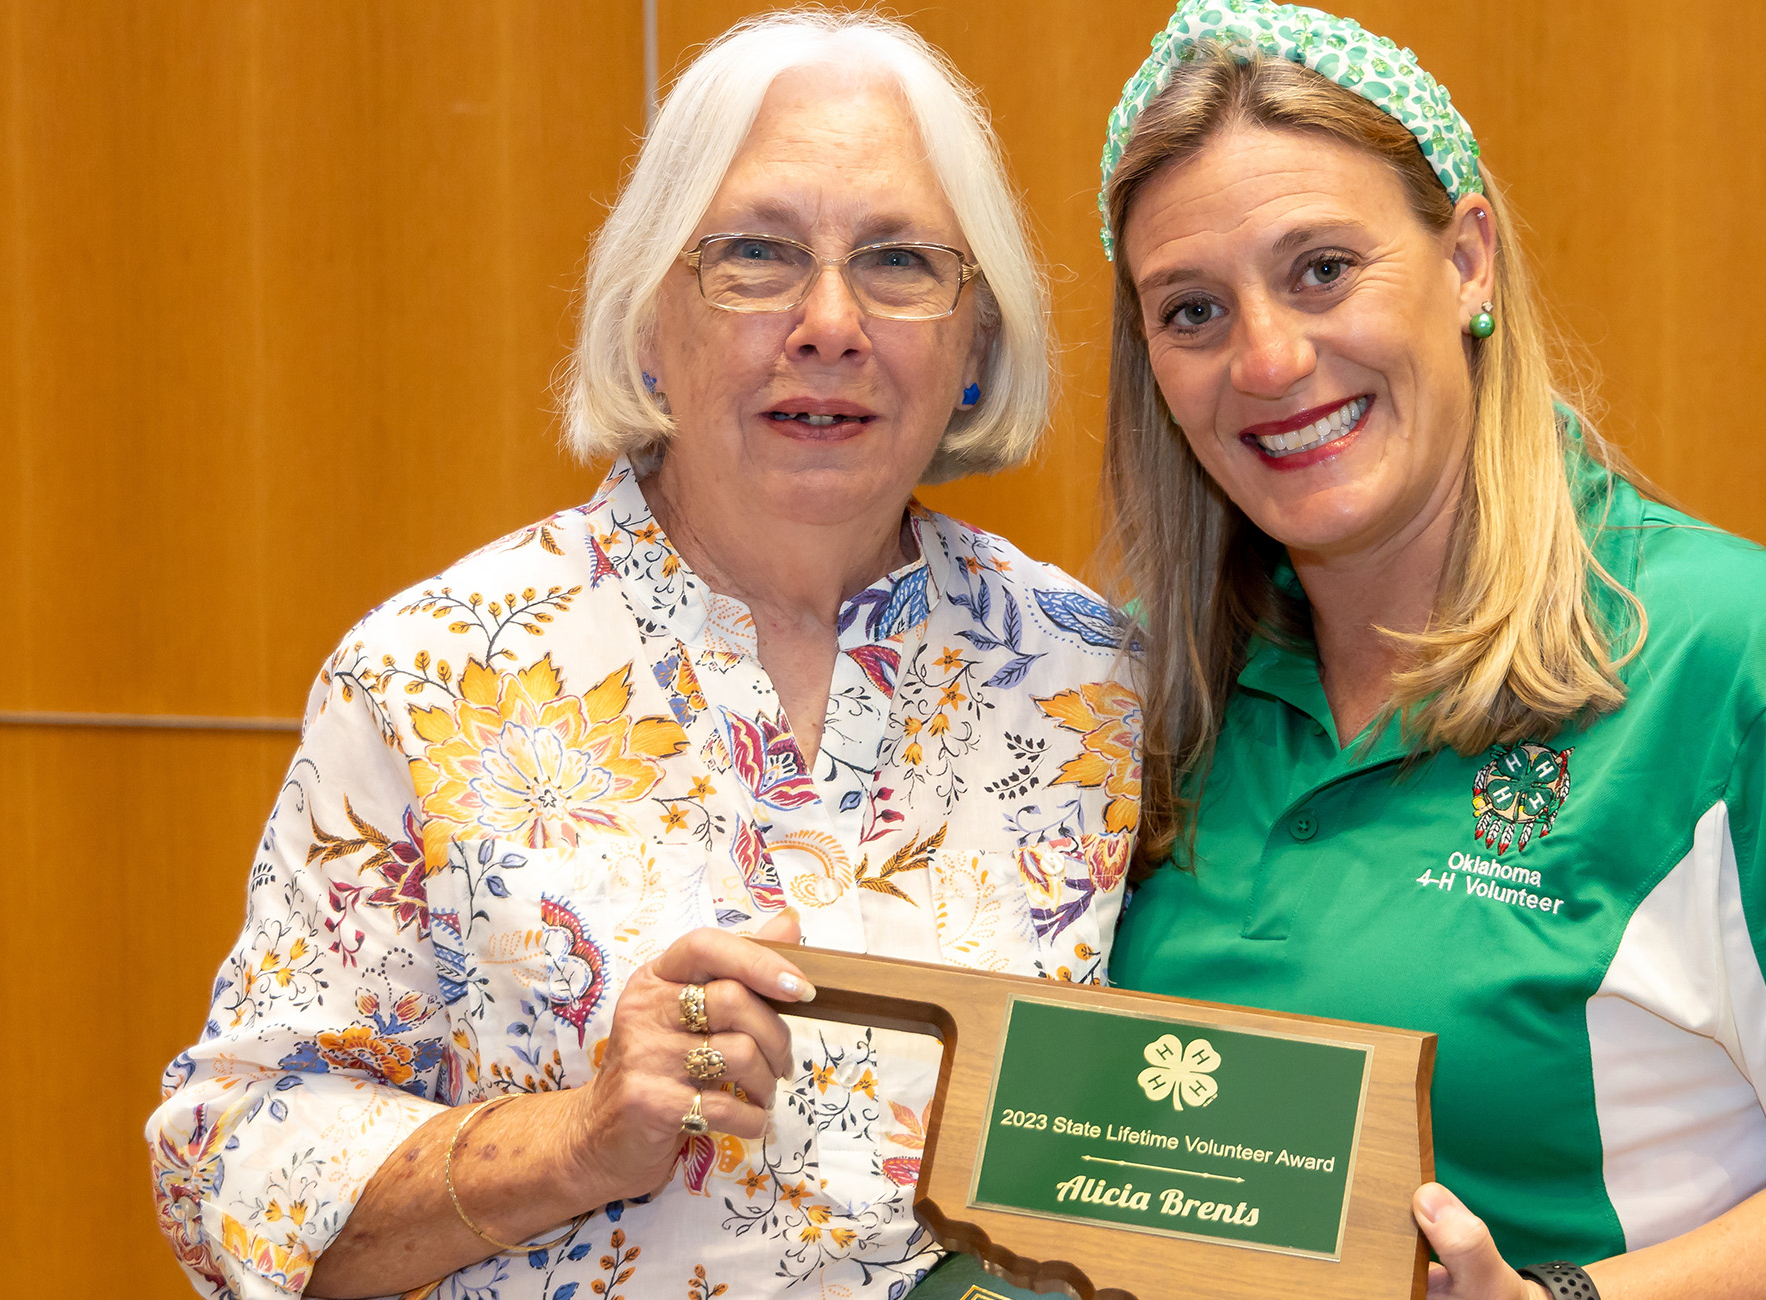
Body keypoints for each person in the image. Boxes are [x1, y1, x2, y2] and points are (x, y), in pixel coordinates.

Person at [148, 13, 1141, 1299]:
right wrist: (576, 1139)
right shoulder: (431, 671)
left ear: (975, 347)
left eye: (899, 262)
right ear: (645, 323)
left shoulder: (1093, 680)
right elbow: (225, 1167)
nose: (829, 322)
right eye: (754, 258)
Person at [1093, 4, 1766, 1298]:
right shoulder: (1137, 702)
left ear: (1468, 261)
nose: (1268, 357)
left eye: (1323, 268)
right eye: (1194, 311)